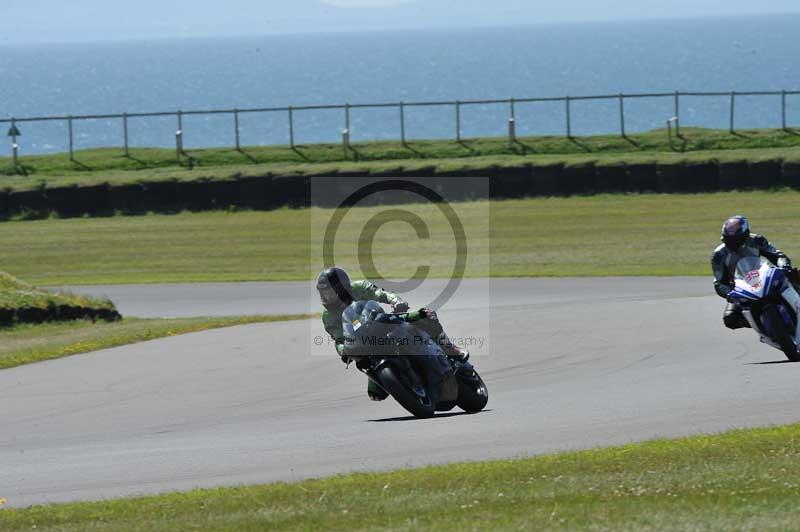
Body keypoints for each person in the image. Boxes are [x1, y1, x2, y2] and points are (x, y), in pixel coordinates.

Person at [316, 267, 469, 401]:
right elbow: (338, 339)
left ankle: (450, 348)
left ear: (340, 289)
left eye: (328, 292)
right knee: (376, 394)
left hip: (382, 322)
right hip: (364, 342)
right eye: (322, 293)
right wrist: (343, 350)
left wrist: (396, 301)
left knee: (426, 315)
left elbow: (381, 294)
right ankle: (404, 381)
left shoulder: (359, 287)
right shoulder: (328, 316)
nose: (324, 297)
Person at [711, 215, 797, 334]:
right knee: (730, 319)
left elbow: (777, 255)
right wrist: (730, 294)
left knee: (793, 275)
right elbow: (719, 283)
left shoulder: (756, 240)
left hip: (765, 277)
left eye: (736, 239)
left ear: (745, 235)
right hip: (742, 288)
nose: (732, 243)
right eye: (728, 239)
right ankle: (762, 323)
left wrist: (784, 265)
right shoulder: (718, 255)